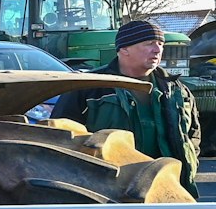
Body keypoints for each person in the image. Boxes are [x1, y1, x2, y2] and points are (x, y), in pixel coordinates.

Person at [52, 18, 201, 190]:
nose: (157, 50)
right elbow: (60, 136)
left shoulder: (176, 90)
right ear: (124, 49)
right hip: (107, 190)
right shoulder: (89, 87)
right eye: (149, 43)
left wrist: (191, 163)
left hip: (169, 186)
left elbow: (193, 134)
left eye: (160, 44)